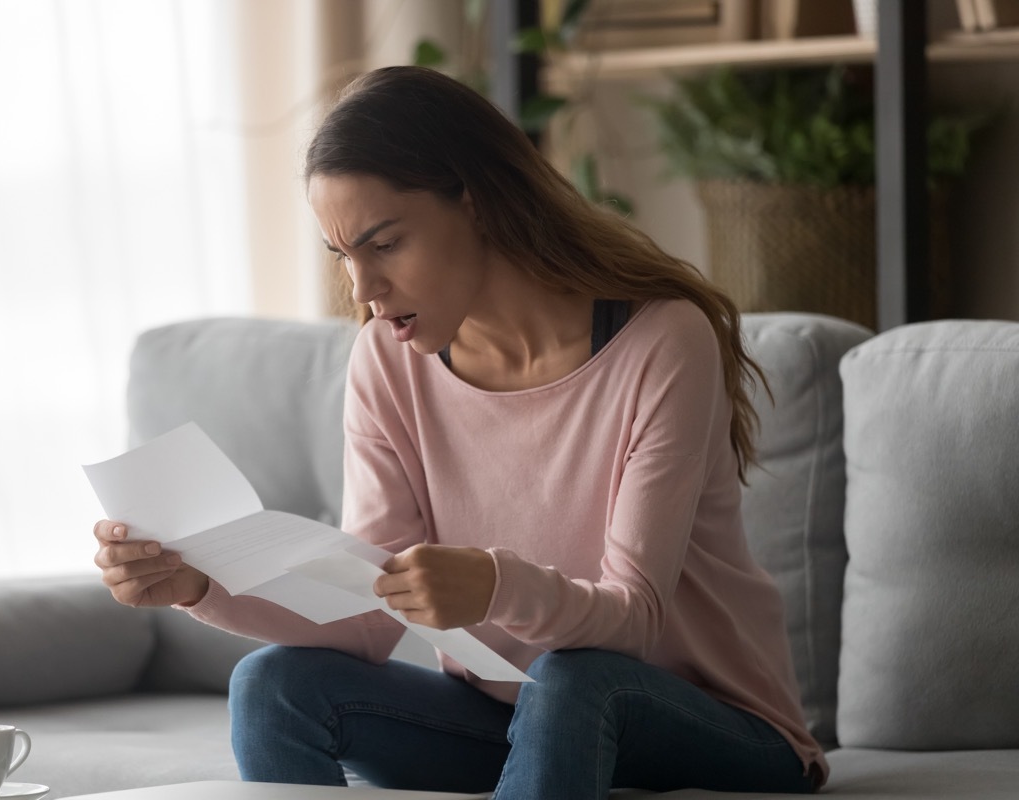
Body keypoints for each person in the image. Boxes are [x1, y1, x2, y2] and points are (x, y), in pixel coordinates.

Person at [92, 65, 826, 799]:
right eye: (343, 256)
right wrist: (199, 584)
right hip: (519, 717)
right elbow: (371, 613)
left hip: (717, 728)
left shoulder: (661, 341)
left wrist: (495, 585)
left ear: (473, 201)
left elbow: (632, 620)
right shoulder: (387, 359)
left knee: (575, 678)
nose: (364, 290)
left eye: (384, 244)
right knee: (273, 684)